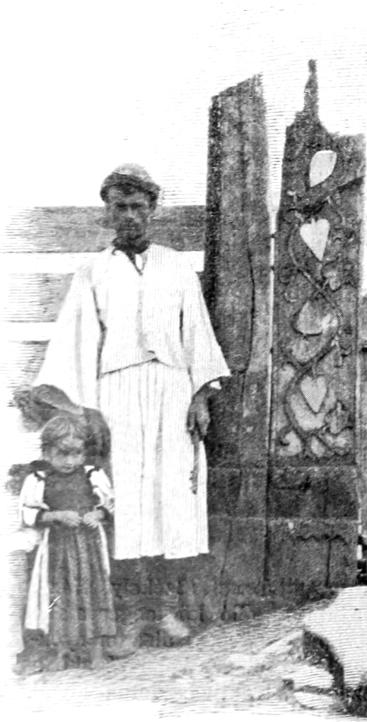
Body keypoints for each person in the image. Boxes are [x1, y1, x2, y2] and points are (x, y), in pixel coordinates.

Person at [31, 163, 230, 654]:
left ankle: (163, 609)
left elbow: (197, 334)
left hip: (172, 393)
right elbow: (78, 343)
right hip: (116, 395)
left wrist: (201, 395)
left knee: (170, 499)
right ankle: (130, 616)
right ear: (108, 212)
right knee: (126, 501)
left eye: (138, 207)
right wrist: (88, 411)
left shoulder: (175, 267)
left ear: (152, 210)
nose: (129, 216)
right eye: (119, 207)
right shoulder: (93, 272)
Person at [18, 415, 116, 671]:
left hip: (89, 549)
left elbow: (109, 505)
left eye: (77, 454)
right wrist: (57, 516)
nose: (70, 461)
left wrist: (97, 514)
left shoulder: (92, 475)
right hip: (58, 550)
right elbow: (29, 514)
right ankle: (61, 651)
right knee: (59, 597)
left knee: (93, 594)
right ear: (46, 452)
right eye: (62, 454)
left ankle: (96, 651)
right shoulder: (39, 479)